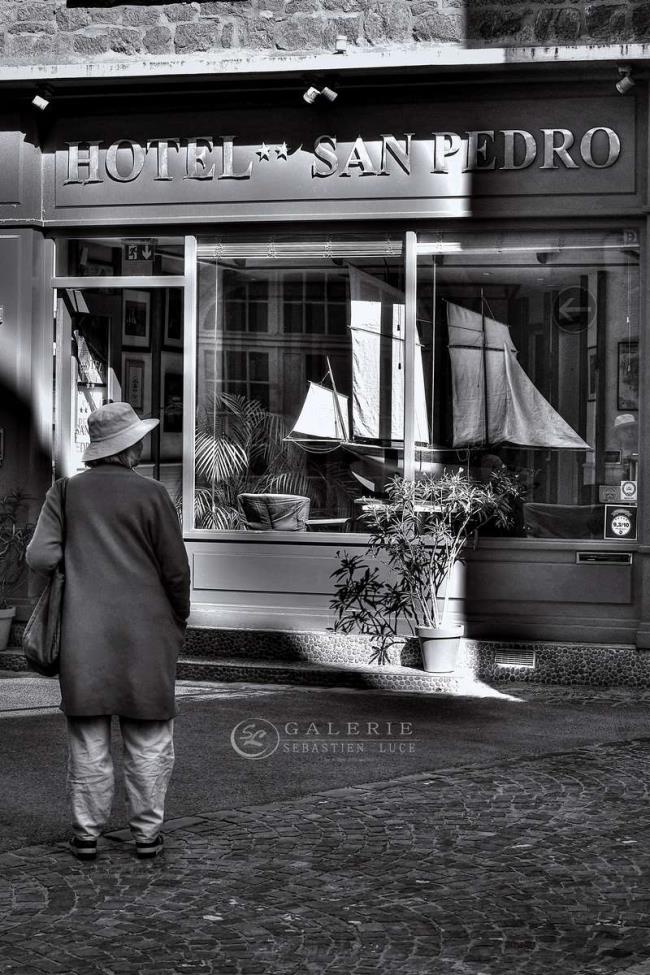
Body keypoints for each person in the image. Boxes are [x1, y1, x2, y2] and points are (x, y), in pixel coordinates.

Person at [26, 402, 191, 861]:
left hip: (84, 633)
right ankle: (146, 835)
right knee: (149, 737)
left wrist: (76, 568)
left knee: (88, 739)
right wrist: (179, 619)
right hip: (148, 636)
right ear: (131, 447)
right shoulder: (154, 494)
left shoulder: (65, 492)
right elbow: (176, 571)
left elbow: (38, 558)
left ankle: (86, 834)